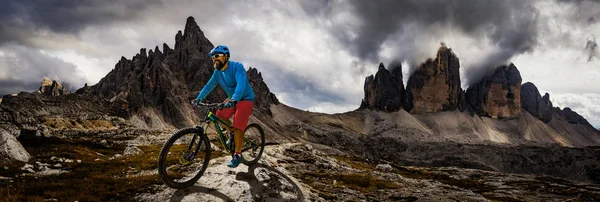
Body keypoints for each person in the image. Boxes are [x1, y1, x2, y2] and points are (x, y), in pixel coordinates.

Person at [194, 45, 255, 168]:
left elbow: (241, 84)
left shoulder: (237, 67)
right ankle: (232, 133)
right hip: (232, 98)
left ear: (226, 56)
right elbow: (209, 85)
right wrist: (198, 98)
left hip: (245, 99)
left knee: (238, 124)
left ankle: (237, 154)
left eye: (217, 56)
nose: (214, 59)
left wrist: (234, 99)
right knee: (219, 114)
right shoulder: (217, 72)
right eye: (212, 57)